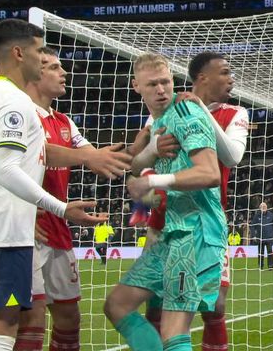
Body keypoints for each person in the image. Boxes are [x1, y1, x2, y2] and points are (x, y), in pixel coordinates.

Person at [0, 19, 107, 350]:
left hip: (10, 231)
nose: (42, 60)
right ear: (18, 53)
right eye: (38, 52)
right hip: (7, 233)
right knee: (6, 321)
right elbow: (5, 168)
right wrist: (60, 207)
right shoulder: (14, 102)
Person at [103, 53, 225, 351]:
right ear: (136, 87)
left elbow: (210, 173)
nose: (161, 90)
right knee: (117, 305)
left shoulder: (186, 114)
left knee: (173, 330)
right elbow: (134, 163)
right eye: (152, 84)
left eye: (166, 82)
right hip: (168, 233)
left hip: (194, 232)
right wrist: (148, 160)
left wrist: (153, 181)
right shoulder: (156, 124)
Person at [16, 46, 134, 351]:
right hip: (25, 228)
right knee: (31, 319)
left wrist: (148, 143)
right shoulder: (17, 113)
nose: (63, 72)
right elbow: (47, 153)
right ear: (34, 71)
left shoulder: (65, 123)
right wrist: (88, 157)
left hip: (57, 226)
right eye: (54, 67)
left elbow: (98, 156)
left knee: (68, 317)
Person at [142, 51, 248, 351]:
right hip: (165, 221)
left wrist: (200, 108)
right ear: (203, 77)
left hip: (207, 221)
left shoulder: (235, 113)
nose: (232, 79)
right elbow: (145, 159)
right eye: (225, 72)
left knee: (214, 305)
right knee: (156, 303)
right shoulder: (165, 111)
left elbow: (232, 157)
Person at [252, 202, 273, 269]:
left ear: (267, 207)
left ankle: (271, 266)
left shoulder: (271, 215)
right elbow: (252, 226)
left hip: (269, 237)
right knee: (260, 252)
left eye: (264, 206)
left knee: (270, 252)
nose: (263, 207)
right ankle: (260, 266)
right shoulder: (257, 216)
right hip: (260, 237)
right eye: (262, 206)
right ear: (260, 208)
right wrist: (253, 235)